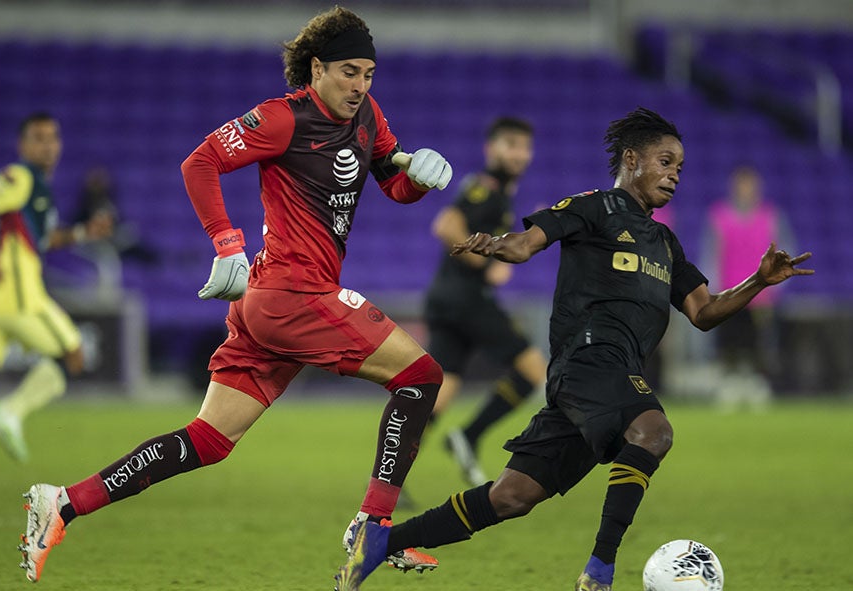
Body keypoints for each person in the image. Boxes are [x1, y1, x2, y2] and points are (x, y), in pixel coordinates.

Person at [19, 7, 452, 584]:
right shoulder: (281, 118)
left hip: (270, 304)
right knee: (420, 376)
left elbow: (392, 184)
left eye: (369, 74)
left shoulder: (368, 114)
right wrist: (226, 244)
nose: (360, 86)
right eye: (349, 72)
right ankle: (372, 526)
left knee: (209, 439)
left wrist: (418, 179)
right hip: (294, 295)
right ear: (317, 68)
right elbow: (200, 162)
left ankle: (63, 503)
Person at [334, 107, 813, 591]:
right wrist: (493, 244)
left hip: (604, 379)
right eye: (665, 162)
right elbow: (525, 245)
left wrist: (758, 281)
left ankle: (378, 545)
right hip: (589, 360)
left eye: (680, 168)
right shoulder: (594, 207)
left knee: (511, 496)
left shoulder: (666, 243)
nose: (674, 175)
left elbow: (704, 311)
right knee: (654, 432)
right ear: (632, 159)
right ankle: (599, 572)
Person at [0, 112, 110, 462]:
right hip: (16, 294)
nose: (48, 145)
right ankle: (10, 411)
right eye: (38, 138)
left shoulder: (39, 189)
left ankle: (8, 411)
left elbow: (44, 239)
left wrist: (84, 232)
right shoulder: (20, 176)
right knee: (73, 354)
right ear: (22, 145)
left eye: (53, 137)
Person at [423, 116, 546, 486]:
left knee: (442, 390)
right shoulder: (486, 187)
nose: (520, 153)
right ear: (491, 149)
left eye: (524, 146)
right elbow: (446, 225)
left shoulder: (498, 190)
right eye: (511, 145)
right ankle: (469, 436)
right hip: (466, 299)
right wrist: (484, 261)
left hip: (445, 298)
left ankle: (388, 478)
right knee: (533, 370)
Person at [703, 165, 794, 408]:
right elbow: (711, 254)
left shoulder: (771, 216)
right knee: (729, 341)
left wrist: (777, 285)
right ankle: (729, 385)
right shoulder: (719, 216)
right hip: (730, 292)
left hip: (760, 295)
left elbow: (785, 252)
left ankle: (757, 385)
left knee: (758, 343)